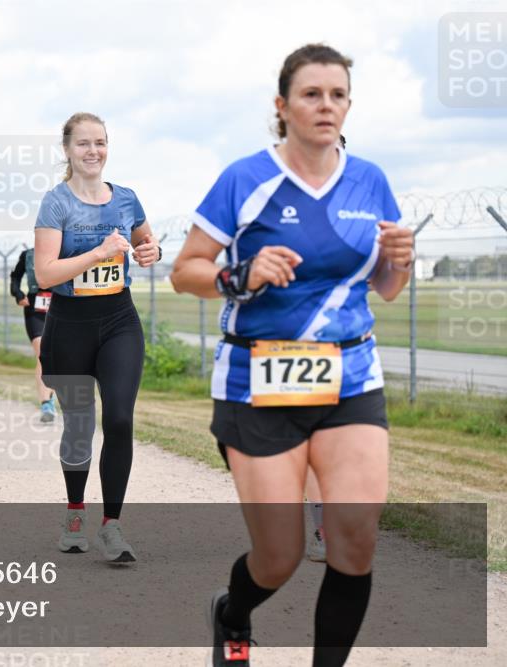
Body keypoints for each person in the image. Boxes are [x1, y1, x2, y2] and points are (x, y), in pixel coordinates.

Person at [169, 44, 413, 666]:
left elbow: (382, 287)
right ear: (283, 107)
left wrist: (400, 264)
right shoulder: (245, 179)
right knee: (280, 555)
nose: (326, 105)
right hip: (259, 381)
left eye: (337, 95)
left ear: (348, 106)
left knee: (355, 539)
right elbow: (185, 271)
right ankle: (234, 613)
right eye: (312, 94)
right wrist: (240, 274)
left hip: (350, 375)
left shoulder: (371, 180)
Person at [34, 112, 160, 563]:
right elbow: (45, 274)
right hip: (70, 324)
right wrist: (98, 252)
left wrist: (151, 250)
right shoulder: (56, 203)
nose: (93, 151)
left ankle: (112, 525)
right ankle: (73, 513)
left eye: (101, 143)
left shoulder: (126, 199)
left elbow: (147, 242)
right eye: (84, 144)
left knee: (121, 419)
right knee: (81, 426)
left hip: (118, 320)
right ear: (67, 150)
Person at [10, 247, 56, 422]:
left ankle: (51, 394)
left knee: (59, 357)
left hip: (60, 307)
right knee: (42, 354)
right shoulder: (28, 254)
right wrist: (18, 293)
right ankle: (46, 405)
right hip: (35, 309)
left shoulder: (65, 250)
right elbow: (15, 276)